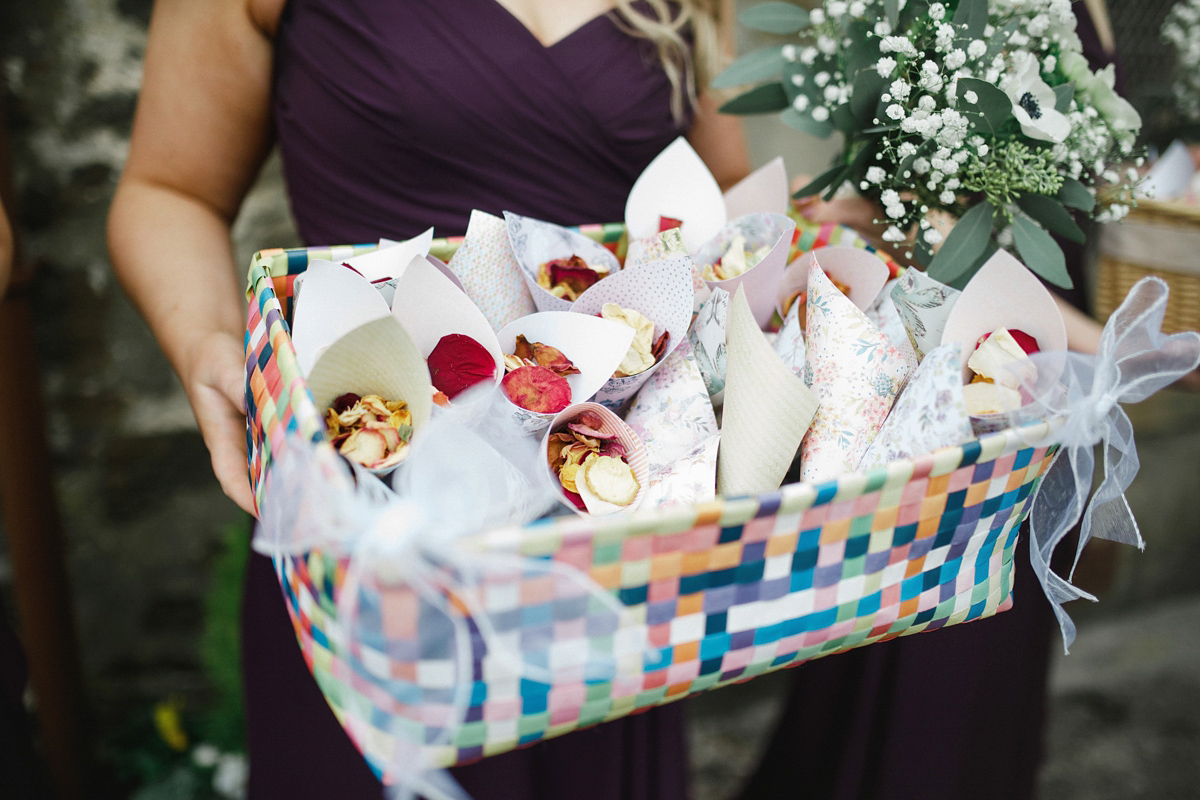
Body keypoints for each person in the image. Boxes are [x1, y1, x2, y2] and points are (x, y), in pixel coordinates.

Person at [107, 1, 749, 798]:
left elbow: (720, 209)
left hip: (602, 521)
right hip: (371, 492)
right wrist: (207, 340)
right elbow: (169, 189)